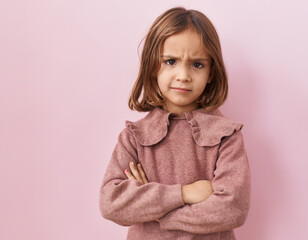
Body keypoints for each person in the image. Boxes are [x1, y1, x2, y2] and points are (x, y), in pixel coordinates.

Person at [99, 7, 250, 240]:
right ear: (152, 66)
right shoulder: (134, 136)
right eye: (171, 61)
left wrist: (157, 214)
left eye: (197, 64)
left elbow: (233, 208)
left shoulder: (226, 136)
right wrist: (186, 193)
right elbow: (111, 202)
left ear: (211, 72)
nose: (183, 75)